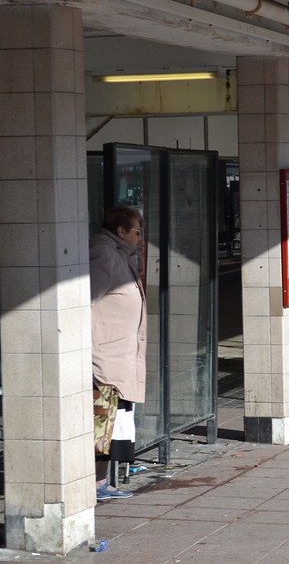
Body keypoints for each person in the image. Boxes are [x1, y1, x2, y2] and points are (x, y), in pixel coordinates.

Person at [91, 205, 148, 501]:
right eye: (137, 231)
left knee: (110, 422)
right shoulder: (103, 253)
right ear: (121, 231)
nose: (140, 237)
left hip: (118, 355)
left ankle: (100, 482)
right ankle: (95, 483)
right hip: (106, 356)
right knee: (102, 421)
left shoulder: (119, 254)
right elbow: (86, 300)